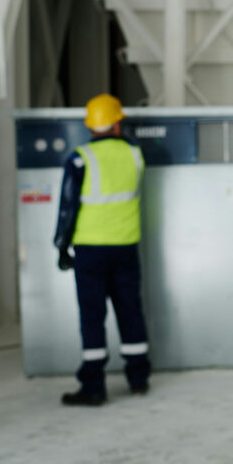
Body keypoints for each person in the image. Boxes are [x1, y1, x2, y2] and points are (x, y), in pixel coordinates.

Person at [54, 93, 151, 406]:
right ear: (117, 123)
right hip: (125, 246)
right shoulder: (135, 155)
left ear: (91, 126)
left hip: (90, 250)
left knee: (93, 315)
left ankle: (94, 386)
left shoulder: (79, 159)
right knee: (130, 310)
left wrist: (62, 246)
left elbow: (67, 208)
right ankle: (138, 379)